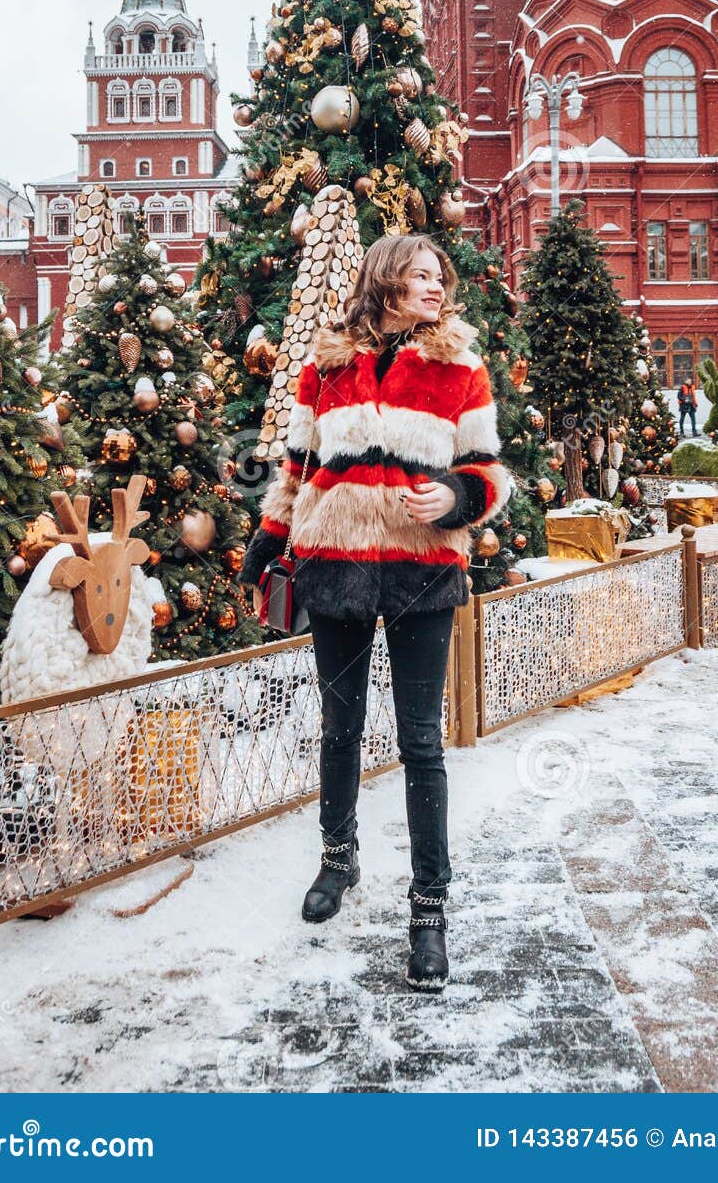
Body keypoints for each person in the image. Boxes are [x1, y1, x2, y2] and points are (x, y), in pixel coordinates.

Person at [240, 234, 513, 994]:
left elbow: (488, 466)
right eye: (420, 275)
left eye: (440, 276)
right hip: (335, 567)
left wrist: (456, 497)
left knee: (421, 741)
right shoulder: (326, 364)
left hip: (424, 570)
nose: (435, 286)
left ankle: (429, 909)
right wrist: (266, 543)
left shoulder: (459, 364)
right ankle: (338, 858)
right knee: (340, 725)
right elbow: (296, 468)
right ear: (386, 281)